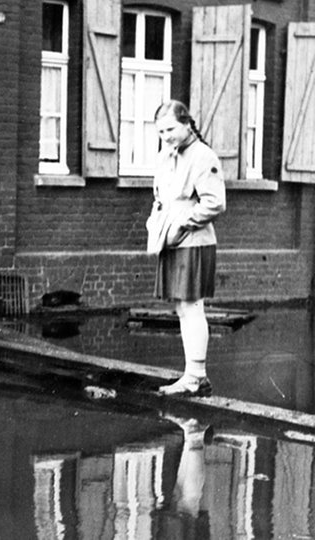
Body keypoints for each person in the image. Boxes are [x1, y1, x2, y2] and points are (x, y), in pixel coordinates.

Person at [146, 100, 226, 397]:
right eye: (160, 131)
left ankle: (196, 377)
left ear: (187, 124)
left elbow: (215, 202)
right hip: (171, 239)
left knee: (192, 307)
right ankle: (193, 374)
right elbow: (161, 195)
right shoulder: (167, 155)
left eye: (169, 129)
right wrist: (156, 222)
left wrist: (182, 226)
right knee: (182, 307)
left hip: (193, 241)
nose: (165, 136)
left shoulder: (203, 157)